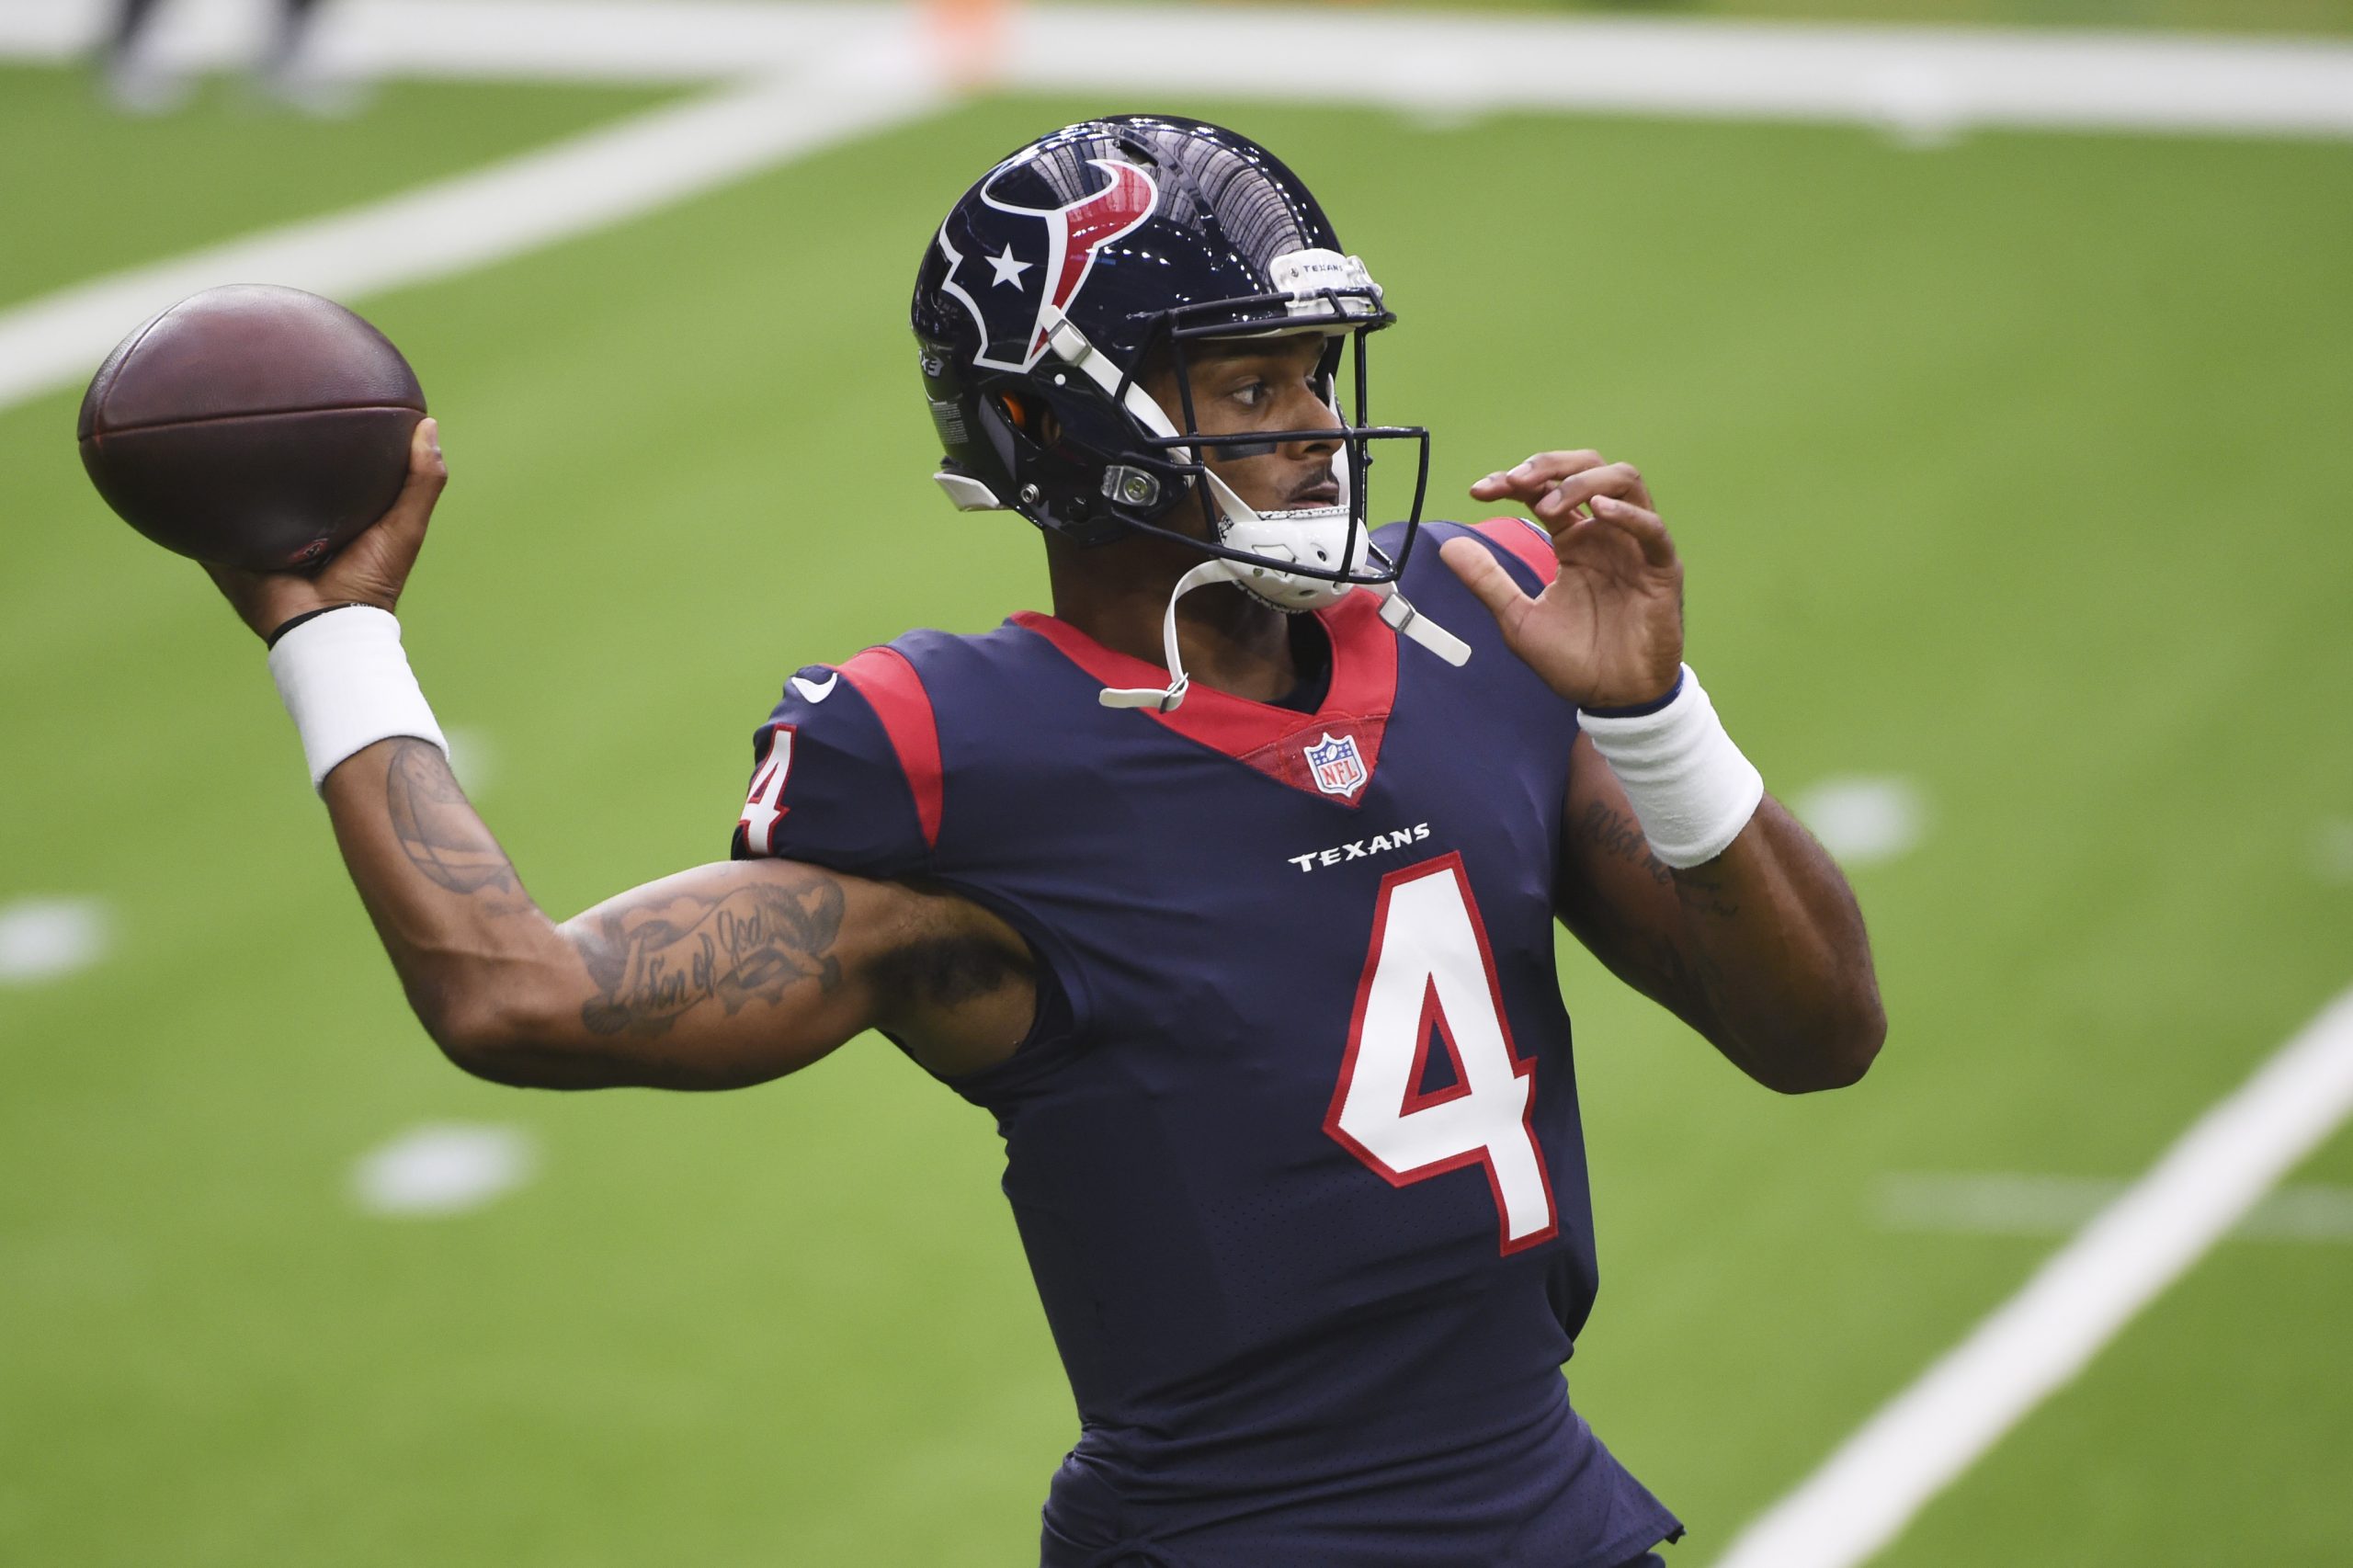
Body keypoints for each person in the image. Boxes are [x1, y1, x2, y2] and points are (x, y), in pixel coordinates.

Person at [207, 116, 1885, 1566]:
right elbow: (514, 994)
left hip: (1553, 1513)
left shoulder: (1476, 621)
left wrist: (1658, 719)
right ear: (1061, 423)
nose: (1317, 424)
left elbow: (1821, 1034)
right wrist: (337, 641)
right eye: (1250, 383)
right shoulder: (960, 757)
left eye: (1315, 371)